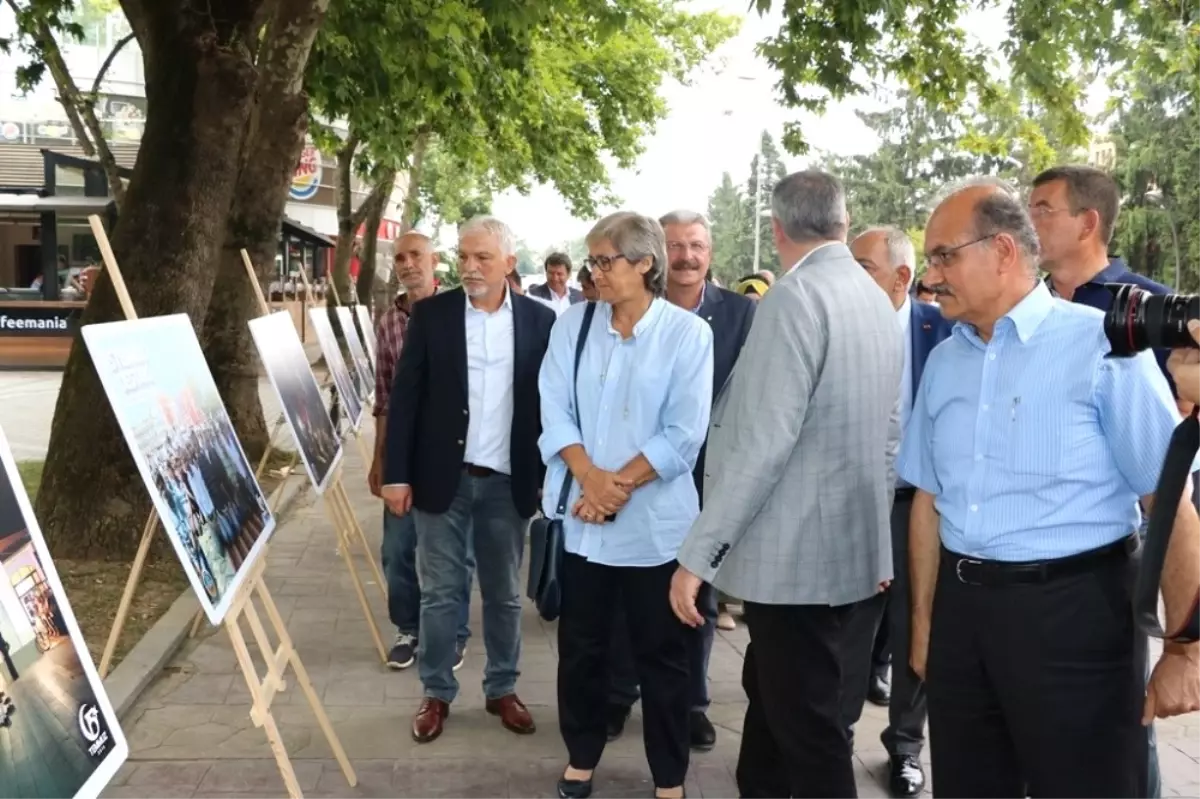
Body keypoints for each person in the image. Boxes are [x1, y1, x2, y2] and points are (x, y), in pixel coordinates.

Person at [900, 178, 1200, 799]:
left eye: (943, 255)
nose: (931, 277)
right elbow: (928, 501)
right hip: (963, 620)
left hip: (1075, 621)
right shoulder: (946, 360)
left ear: (1003, 251)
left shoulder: (1100, 344)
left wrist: (1184, 651)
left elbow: (1168, 504)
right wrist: (927, 627)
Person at [670, 170, 903, 797]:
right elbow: (890, 434)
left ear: (777, 230)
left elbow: (763, 442)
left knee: (808, 727)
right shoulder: (872, 296)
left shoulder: (795, 299)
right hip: (846, 552)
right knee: (774, 706)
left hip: (797, 560)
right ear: (843, 223)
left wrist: (698, 556)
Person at [542, 211, 713, 799]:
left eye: (605, 261)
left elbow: (683, 432)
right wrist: (588, 478)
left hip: (654, 531)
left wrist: (615, 487)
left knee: (663, 657)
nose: (595, 273)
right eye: (591, 261)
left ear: (645, 263)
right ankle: (581, 757)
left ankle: (669, 777)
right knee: (582, 650)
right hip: (585, 526)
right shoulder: (574, 326)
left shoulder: (688, 334)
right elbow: (553, 409)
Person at [1030, 163, 1182, 798]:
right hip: (1026, 550)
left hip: (1114, 553)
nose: (1026, 221)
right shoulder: (1026, 304)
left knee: (1117, 730)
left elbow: (1174, 451)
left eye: (1042, 210)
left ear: (1088, 222)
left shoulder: (1147, 311)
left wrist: (1185, 639)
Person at [382, 216, 556, 744]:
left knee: (503, 595)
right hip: (442, 480)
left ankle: (501, 688)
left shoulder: (540, 321)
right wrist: (395, 476)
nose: (470, 267)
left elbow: (551, 404)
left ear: (509, 262)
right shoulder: (432, 316)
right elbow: (405, 399)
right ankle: (436, 693)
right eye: (463, 257)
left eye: (482, 257)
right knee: (440, 594)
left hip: (508, 481)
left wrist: (553, 475)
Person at [606, 209, 755, 750]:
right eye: (676, 245)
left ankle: (690, 703)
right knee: (630, 590)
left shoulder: (743, 314)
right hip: (638, 475)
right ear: (655, 255)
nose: (687, 256)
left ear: (710, 252)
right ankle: (620, 693)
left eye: (696, 245)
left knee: (697, 597)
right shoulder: (633, 309)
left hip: (709, 481)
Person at [845, 225, 952, 797]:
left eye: (861, 267)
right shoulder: (838, 330)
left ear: (901, 278)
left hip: (920, 509)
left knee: (918, 625)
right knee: (848, 627)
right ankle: (833, 738)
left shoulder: (944, 332)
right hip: (852, 505)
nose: (847, 277)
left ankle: (906, 747)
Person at [370, 232, 475, 671]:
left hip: (449, 454)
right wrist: (381, 457)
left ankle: (453, 631)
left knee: (453, 552)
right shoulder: (388, 323)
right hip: (402, 452)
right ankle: (408, 628)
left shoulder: (461, 312)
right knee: (397, 549)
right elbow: (384, 397)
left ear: (436, 262)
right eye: (400, 257)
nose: (408, 263)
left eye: (416, 255)